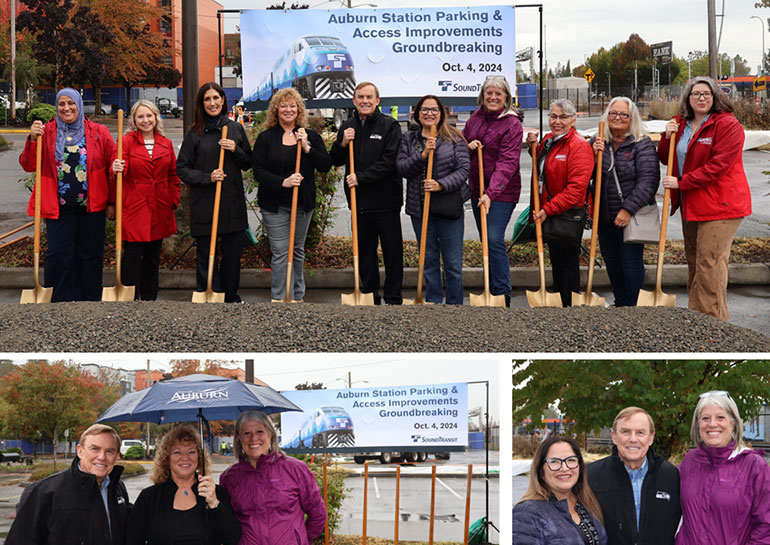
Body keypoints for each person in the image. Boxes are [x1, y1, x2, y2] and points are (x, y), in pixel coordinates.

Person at [659, 76, 752, 321]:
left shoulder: (727, 125)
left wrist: (681, 183)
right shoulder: (681, 123)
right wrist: (665, 136)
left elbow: (718, 166)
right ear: (688, 99)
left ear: (715, 97)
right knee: (695, 262)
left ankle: (713, 322)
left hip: (721, 205)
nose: (701, 98)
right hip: (692, 205)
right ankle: (697, 318)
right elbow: (664, 156)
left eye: (706, 94)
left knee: (710, 263)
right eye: (696, 94)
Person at [19, 88, 115, 302]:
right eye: (61, 104)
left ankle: (89, 300)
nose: (66, 108)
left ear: (79, 105)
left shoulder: (99, 132)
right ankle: (60, 302)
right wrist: (33, 138)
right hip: (58, 207)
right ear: (57, 107)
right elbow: (28, 165)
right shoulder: (48, 132)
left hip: (92, 207)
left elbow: (112, 166)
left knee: (90, 255)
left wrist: (112, 202)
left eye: (71, 103)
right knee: (58, 254)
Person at [252, 88, 332, 302]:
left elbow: (325, 165)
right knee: (279, 251)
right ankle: (279, 296)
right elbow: (258, 170)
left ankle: (297, 296)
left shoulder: (310, 137)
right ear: (276, 110)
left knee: (296, 250)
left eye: (292, 106)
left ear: (299, 110)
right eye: (284, 105)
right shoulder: (266, 138)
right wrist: (283, 182)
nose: (288, 110)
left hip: (302, 204)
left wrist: (307, 147)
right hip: (274, 204)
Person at [177, 82, 252, 303]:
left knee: (231, 256)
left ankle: (230, 297)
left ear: (223, 100)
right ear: (202, 104)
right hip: (204, 202)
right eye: (207, 99)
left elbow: (248, 162)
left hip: (231, 202)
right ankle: (210, 295)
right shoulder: (194, 133)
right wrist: (207, 177)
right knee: (205, 255)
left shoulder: (235, 128)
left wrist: (235, 149)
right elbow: (182, 168)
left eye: (216, 98)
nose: (212, 103)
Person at [330, 81, 403, 305]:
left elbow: (389, 162)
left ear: (377, 101)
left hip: (386, 200)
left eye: (369, 97)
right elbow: (335, 159)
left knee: (392, 252)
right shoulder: (348, 125)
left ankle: (393, 296)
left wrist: (360, 178)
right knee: (365, 251)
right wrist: (343, 143)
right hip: (359, 202)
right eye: (360, 97)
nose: (365, 101)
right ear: (354, 100)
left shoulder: (390, 126)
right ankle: (370, 294)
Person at [396, 94, 470, 304]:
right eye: (425, 110)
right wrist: (422, 156)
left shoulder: (454, 138)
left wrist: (441, 184)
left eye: (434, 110)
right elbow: (401, 168)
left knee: (453, 262)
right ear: (417, 114)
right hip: (420, 208)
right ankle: (433, 303)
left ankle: (455, 305)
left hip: (448, 207)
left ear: (441, 114)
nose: (429, 113)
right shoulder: (409, 139)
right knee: (428, 260)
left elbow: (464, 169)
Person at [6, 424, 130, 545]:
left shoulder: (117, 489)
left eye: (109, 451)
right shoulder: (44, 492)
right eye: (95, 449)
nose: (102, 457)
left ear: (117, 456)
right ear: (80, 451)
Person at [676, 391, 770, 545]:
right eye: (705, 418)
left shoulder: (754, 466)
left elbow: (765, 528)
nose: (712, 424)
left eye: (720, 417)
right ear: (698, 423)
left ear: (733, 422)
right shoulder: (689, 462)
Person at [591, 98, 660, 307]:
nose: (617, 118)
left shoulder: (641, 143)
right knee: (612, 264)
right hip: (604, 216)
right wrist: (593, 156)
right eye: (613, 113)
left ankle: (632, 307)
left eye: (623, 114)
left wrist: (627, 210)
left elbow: (648, 182)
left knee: (630, 264)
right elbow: (586, 176)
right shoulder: (598, 142)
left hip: (631, 216)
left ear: (632, 118)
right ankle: (620, 304)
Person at [220, 411, 326, 545]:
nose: (253, 439)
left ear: (271, 435)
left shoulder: (295, 469)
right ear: (239, 439)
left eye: (260, 432)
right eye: (247, 433)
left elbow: (318, 513)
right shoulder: (229, 478)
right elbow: (227, 523)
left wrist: (303, 539)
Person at [525, 99, 594, 307]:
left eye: (563, 117)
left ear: (573, 120)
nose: (557, 121)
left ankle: (570, 306)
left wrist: (547, 208)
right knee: (556, 259)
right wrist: (533, 148)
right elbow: (546, 167)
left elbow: (576, 190)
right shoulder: (548, 140)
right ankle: (559, 304)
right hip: (552, 212)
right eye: (553, 116)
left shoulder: (578, 146)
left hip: (568, 214)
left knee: (568, 262)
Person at [462, 75, 523, 307]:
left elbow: (507, 163)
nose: (493, 97)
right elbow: (462, 142)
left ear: (506, 97)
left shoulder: (512, 124)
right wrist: (467, 146)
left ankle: (502, 293)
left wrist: (491, 193)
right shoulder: (475, 118)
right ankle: (490, 286)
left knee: (494, 238)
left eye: (498, 93)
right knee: (486, 240)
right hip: (478, 191)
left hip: (501, 192)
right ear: (483, 95)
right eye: (489, 93)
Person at [111, 99, 180, 300]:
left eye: (149, 115)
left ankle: (149, 299)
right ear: (133, 120)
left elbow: (172, 175)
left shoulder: (165, 143)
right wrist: (115, 169)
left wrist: (172, 200)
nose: (145, 120)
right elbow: (115, 170)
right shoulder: (126, 142)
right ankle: (129, 298)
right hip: (135, 206)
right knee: (132, 254)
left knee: (152, 256)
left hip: (159, 206)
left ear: (156, 117)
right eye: (140, 116)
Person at [126, 424, 240, 545]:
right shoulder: (149, 497)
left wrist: (214, 503)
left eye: (191, 452)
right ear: (167, 458)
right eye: (177, 452)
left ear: (199, 457)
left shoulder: (216, 493)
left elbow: (232, 538)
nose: (185, 458)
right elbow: (133, 539)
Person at [587, 407, 681, 545]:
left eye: (640, 433)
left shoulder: (672, 476)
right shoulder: (591, 476)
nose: (633, 439)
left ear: (651, 438)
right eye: (625, 432)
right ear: (614, 436)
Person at [513, 435, 607, 545]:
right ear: (540, 471)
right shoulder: (527, 513)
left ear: (580, 466)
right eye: (554, 462)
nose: (564, 468)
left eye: (571, 460)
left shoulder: (587, 503)